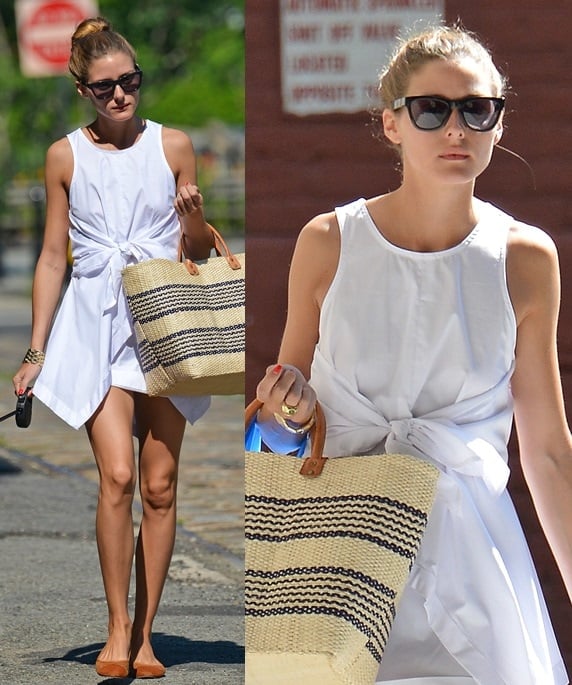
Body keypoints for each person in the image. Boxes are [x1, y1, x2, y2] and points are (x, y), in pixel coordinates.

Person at [254, 24, 572, 684]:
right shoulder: (329, 241)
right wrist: (289, 406)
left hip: (478, 564)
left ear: (498, 123)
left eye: (476, 109)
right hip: (345, 563)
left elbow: (546, 452)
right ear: (392, 124)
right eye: (432, 110)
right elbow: (274, 431)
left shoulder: (526, 258)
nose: (456, 129)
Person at [12, 16, 214, 680]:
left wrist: (191, 219)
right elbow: (50, 259)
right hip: (98, 324)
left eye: (130, 81)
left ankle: (149, 633)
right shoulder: (64, 156)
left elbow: (195, 253)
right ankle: (117, 627)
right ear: (83, 90)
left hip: (166, 321)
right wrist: (36, 353)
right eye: (106, 87)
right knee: (119, 476)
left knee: (159, 484)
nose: (122, 95)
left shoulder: (174, 145)